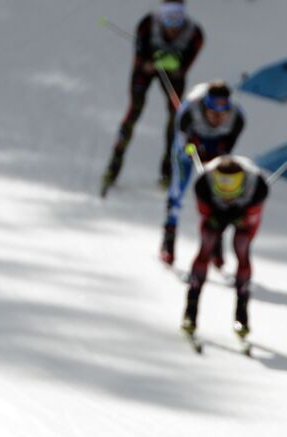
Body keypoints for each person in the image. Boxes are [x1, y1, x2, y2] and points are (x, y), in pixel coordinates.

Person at [100, 2, 205, 197]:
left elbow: (185, 66)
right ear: (160, 16)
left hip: (172, 75)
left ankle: (168, 171)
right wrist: (147, 64)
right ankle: (112, 168)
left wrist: (176, 69)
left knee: (176, 116)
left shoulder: (195, 34)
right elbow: (139, 58)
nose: (173, 25)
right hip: (145, 71)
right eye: (168, 17)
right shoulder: (147, 25)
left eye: (178, 18)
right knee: (134, 111)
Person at [160, 81, 246, 266]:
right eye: (212, 112)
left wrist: (215, 157)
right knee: (178, 190)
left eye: (222, 113)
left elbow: (227, 147)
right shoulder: (189, 111)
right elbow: (181, 142)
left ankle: (216, 244)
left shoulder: (237, 118)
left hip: (215, 147)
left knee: (220, 194)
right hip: (189, 148)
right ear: (204, 106)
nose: (217, 118)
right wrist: (194, 150)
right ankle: (168, 240)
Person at [182, 155, 267, 339]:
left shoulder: (257, 186)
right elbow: (203, 210)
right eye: (222, 187)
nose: (227, 196)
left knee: (242, 248)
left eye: (231, 187)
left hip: (244, 215)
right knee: (206, 245)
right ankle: (190, 312)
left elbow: (253, 216)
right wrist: (213, 216)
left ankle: (242, 316)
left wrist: (241, 216)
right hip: (215, 212)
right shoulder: (204, 183)